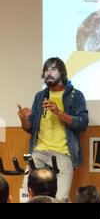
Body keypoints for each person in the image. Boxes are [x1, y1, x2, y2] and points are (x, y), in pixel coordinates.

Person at [17, 57, 89, 200]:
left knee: (60, 199)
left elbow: (83, 124)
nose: (48, 73)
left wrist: (59, 112)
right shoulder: (40, 96)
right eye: (46, 70)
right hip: (38, 153)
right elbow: (30, 128)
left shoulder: (75, 96)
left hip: (63, 154)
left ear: (62, 73)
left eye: (53, 69)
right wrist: (23, 120)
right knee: (25, 196)